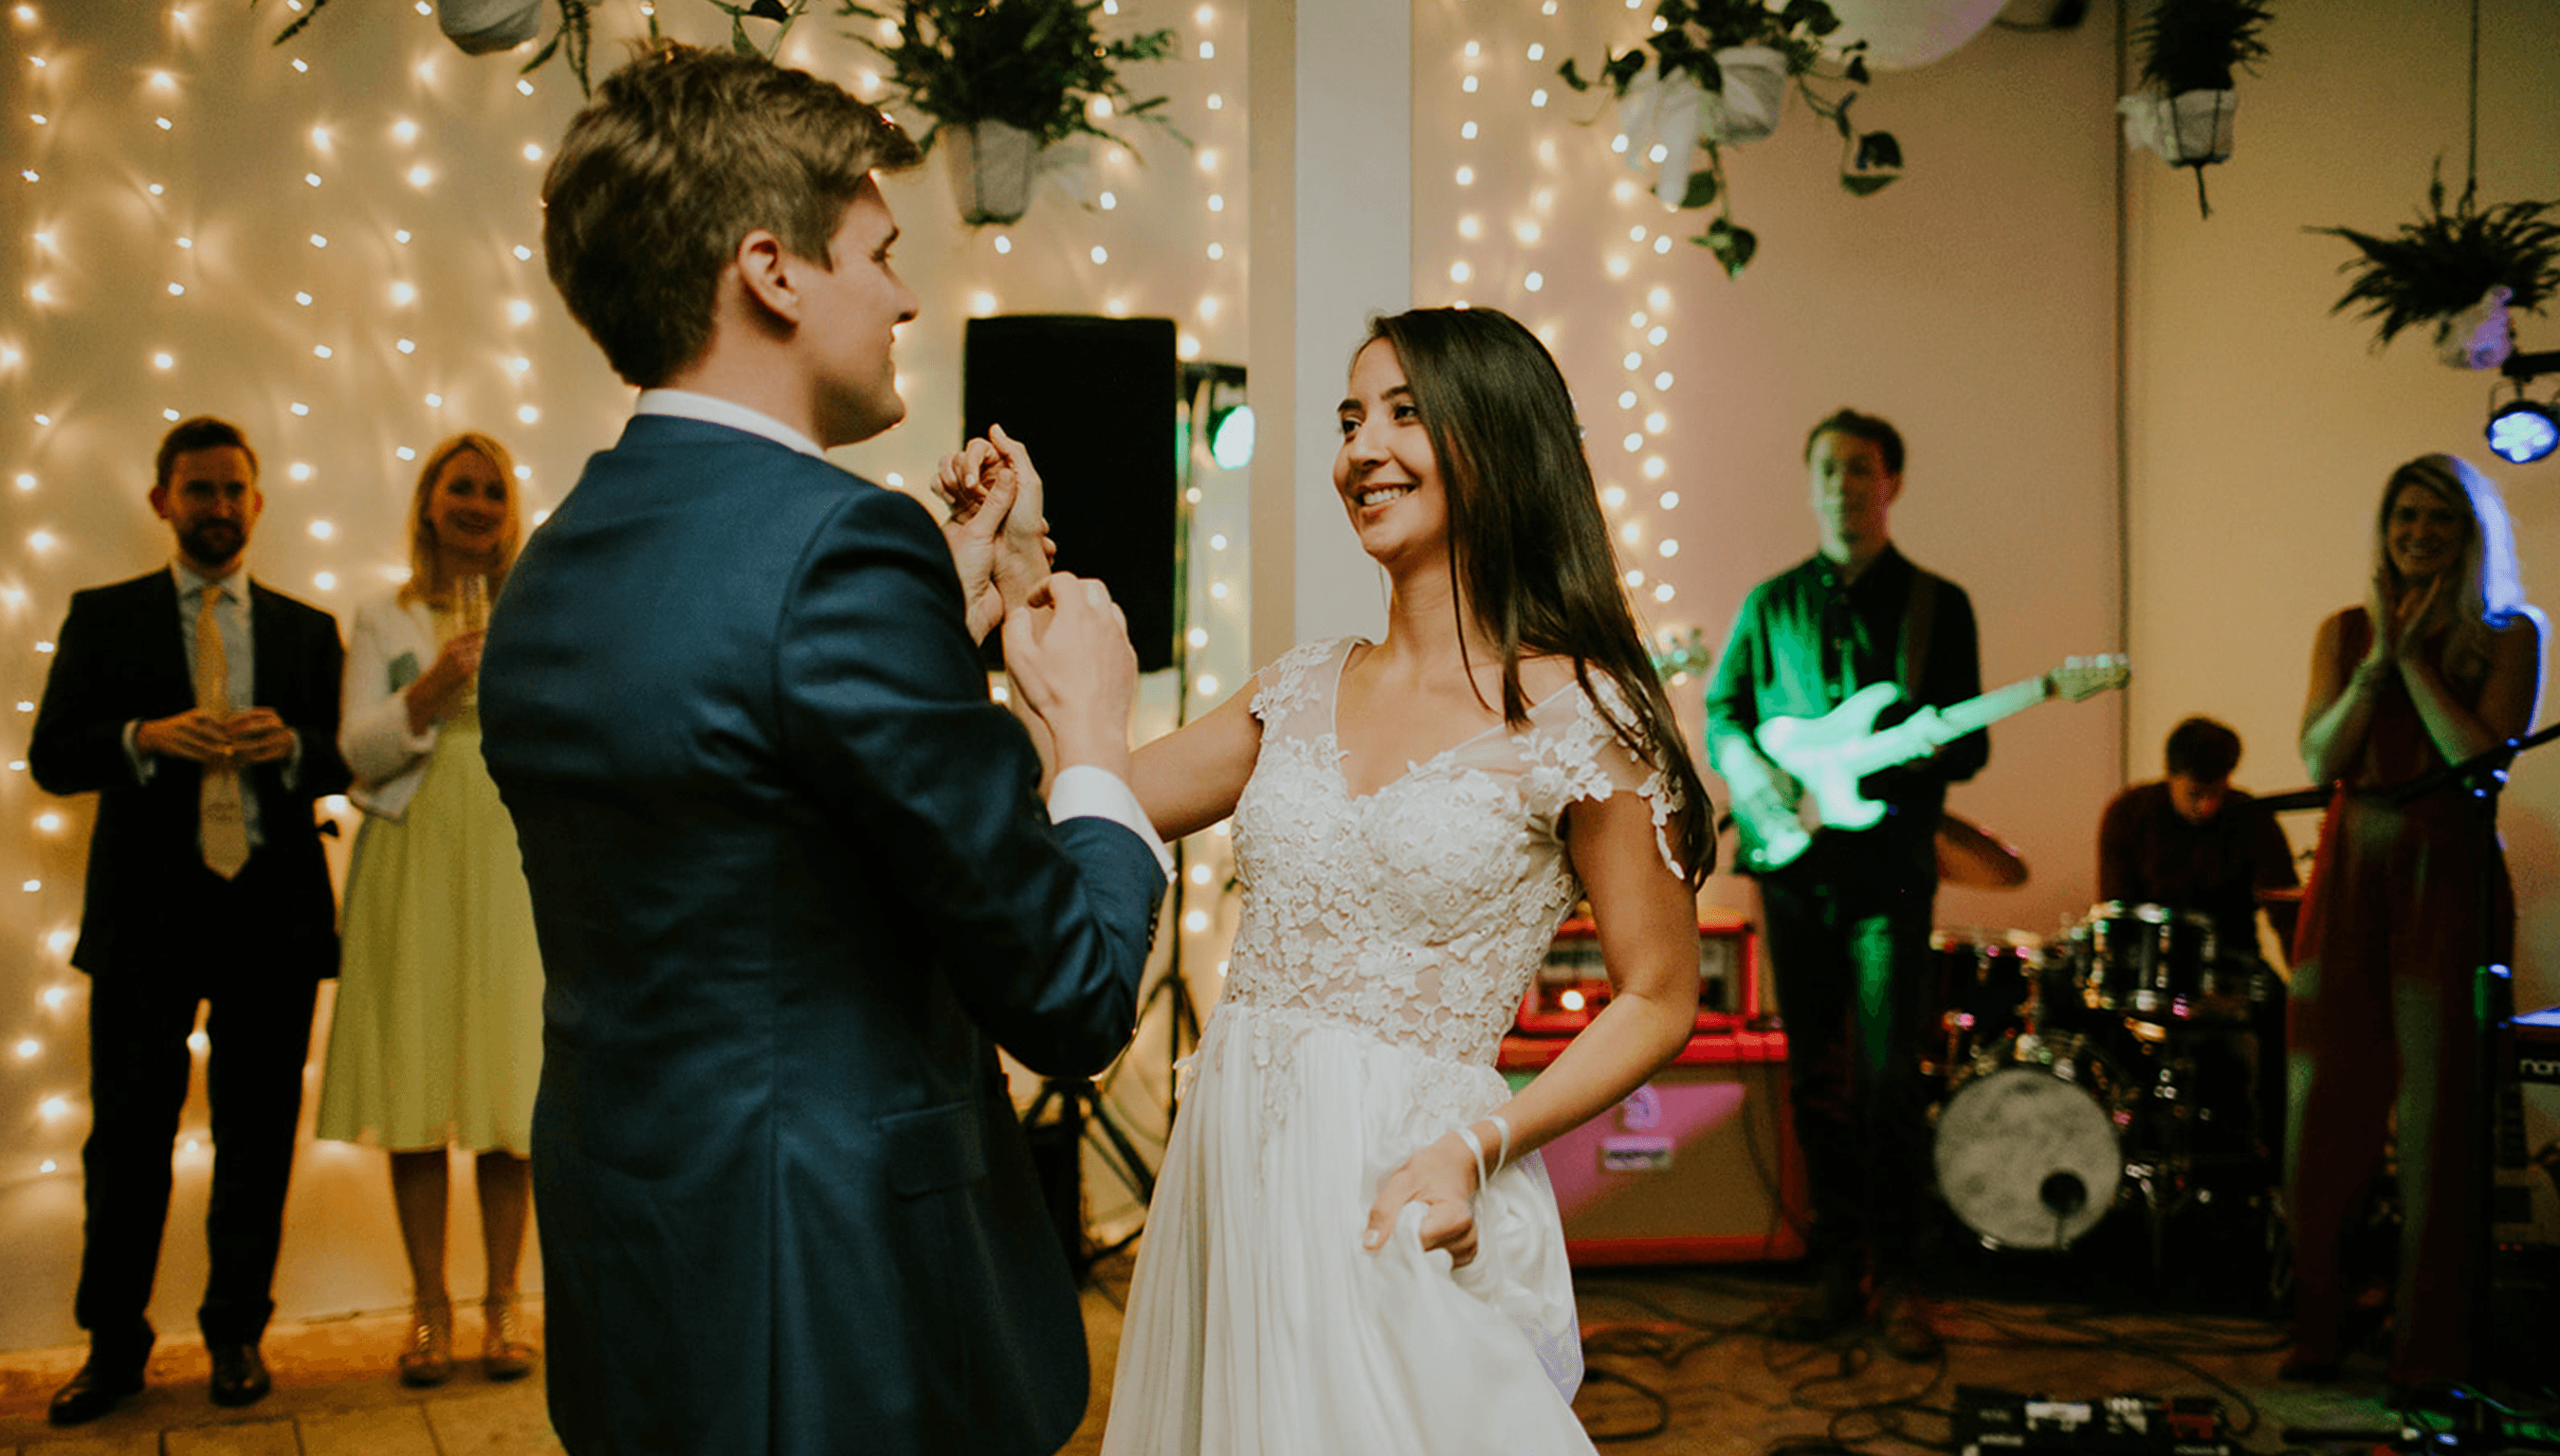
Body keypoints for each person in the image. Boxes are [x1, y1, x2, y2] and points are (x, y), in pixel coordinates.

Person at [476, 44, 1170, 1456]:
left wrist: (939, 615)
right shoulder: (840, 553)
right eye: (880, 251)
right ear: (772, 271)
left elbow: (747, 800)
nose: (908, 296)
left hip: (644, 1261)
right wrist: (1090, 733)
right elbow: (1068, 993)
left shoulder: (558, 559)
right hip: (838, 1300)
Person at [964, 306, 1711, 1452]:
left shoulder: (1581, 718)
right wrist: (1019, 574)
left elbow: (1660, 994)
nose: (1362, 450)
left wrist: (1478, 1147)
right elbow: (1088, 790)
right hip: (1233, 1167)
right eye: (1351, 419)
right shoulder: (1297, 688)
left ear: (1502, 441)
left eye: (1406, 416)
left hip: (1401, 1180)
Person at [27, 415, 351, 1424]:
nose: (217, 508)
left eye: (232, 491)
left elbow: (342, 758)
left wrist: (291, 747)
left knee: (258, 1139)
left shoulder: (307, 629)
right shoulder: (102, 613)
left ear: (259, 503)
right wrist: (143, 735)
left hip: (274, 919)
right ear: (162, 500)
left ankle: (237, 1335)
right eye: (198, 490)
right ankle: (113, 1347)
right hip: (145, 921)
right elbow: (53, 756)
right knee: (126, 1141)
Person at [1703, 408, 1985, 1358]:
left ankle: (1901, 1281)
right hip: (1792, 870)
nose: (1841, 484)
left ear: (1891, 483)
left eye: (1859, 469)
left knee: (1885, 1079)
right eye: (1826, 468)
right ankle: (1836, 1270)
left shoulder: (1937, 608)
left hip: (1890, 876)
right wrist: (1755, 783)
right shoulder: (1770, 602)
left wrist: (1899, 757)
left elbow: (1971, 743)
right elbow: (1725, 714)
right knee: (1815, 1079)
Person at [2284, 453, 2544, 1388]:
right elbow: (2321, 760)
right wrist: (2374, 665)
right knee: (2320, 1113)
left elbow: (2480, 763)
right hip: (2351, 868)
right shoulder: (2345, 629)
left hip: (2449, 872)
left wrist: (2414, 665)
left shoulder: (2513, 632)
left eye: (2439, 520)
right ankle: (2318, 1327)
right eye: (2404, 519)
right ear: (2385, 530)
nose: (2419, 534)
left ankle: (2425, 1353)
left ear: (2470, 534)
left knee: (2439, 1126)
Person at [314, 431, 543, 1388]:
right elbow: (356, 751)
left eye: (493, 490)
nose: (478, 503)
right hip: (409, 854)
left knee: (509, 1090)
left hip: (510, 855)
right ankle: (427, 1312)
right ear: (430, 502)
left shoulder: (541, 608)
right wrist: (432, 686)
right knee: (414, 1080)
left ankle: (500, 1309)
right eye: (461, 487)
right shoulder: (383, 610)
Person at [2097, 715, 2301, 1162]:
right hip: (2149, 969)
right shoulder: (2130, 816)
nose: (2208, 806)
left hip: (2234, 966)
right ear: (2170, 776)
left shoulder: (2251, 819)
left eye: (2217, 793)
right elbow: (2117, 916)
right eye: (2196, 794)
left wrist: (2307, 980)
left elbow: (2287, 915)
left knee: (2287, 1023)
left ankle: (2276, 1160)